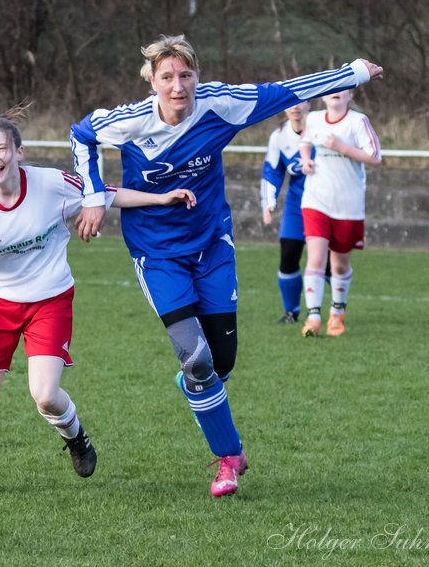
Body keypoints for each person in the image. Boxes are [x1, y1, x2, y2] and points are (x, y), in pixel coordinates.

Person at [69, 35, 383, 496]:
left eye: (186, 75)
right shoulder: (129, 120)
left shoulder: (221, 104)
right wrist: (93, 197)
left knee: (221, 363)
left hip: (212, 244)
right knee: (196, 359)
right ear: (152, 82)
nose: (178, 87)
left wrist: (352, 73)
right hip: (157, 252)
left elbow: (288, 90)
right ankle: (229, 459)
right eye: (167, 77)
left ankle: (199, 387)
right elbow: (81, 135)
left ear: (197, 76)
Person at [0, 106, 197, 493]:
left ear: (19, 152)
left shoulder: (50, 184)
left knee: (45, 396)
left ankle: (75, 437)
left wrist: (161, 199)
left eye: (1, 149)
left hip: (50, 300)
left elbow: (104, 194)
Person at [297, 88, 382, 337]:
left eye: (343, 88)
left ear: (350, 96)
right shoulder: (313, 119)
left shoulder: (358, 121)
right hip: (316, 199)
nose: (336, 92)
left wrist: (342, 147)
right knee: (315, 257)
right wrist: (305, 160)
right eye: (332, 88)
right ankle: (313, 318)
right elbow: (304, 141)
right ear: (323, 95)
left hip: (348, 204)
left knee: (340, 264)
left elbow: (375, 157)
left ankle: (337, 312)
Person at [260, 100, 313, 323]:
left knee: (329, 263)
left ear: (310, 104)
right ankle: (291, 312)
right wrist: (268, 202)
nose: (296, 107)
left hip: (324, 204)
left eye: (302, 101)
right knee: (289, 255)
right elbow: (272, 171)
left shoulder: (321, 130)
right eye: (291, 102)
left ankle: (334, 311)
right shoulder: (279, 136)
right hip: (296, 206)